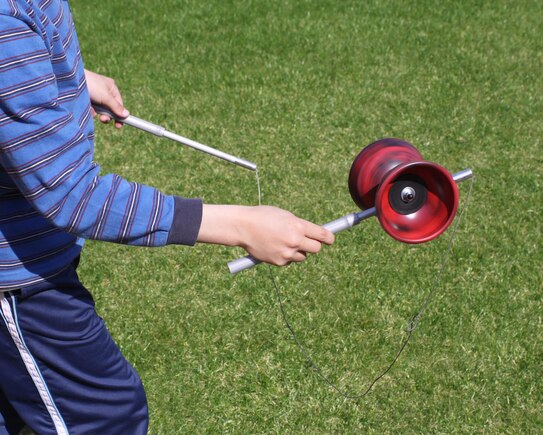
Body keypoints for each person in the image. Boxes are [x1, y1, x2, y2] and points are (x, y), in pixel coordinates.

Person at [0, 1, 334, 433]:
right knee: (104, 417)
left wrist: (64, 81)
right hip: (18, 283)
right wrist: (240, 225)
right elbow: (71, 193)